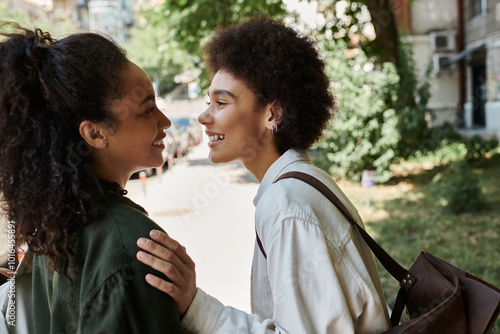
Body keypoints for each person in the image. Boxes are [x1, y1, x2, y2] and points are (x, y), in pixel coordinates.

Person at [136, 16, 391, 333]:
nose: (203, 116)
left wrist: (196, 307)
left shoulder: (287, 206)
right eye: (208, 102)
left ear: (273, 113)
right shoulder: (301, 183)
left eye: (221, 102)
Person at [0, 25, 183, 333]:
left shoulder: (57, 230)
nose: (164, 122)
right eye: (148, 109)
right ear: (95, 133)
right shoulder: (131, 247)